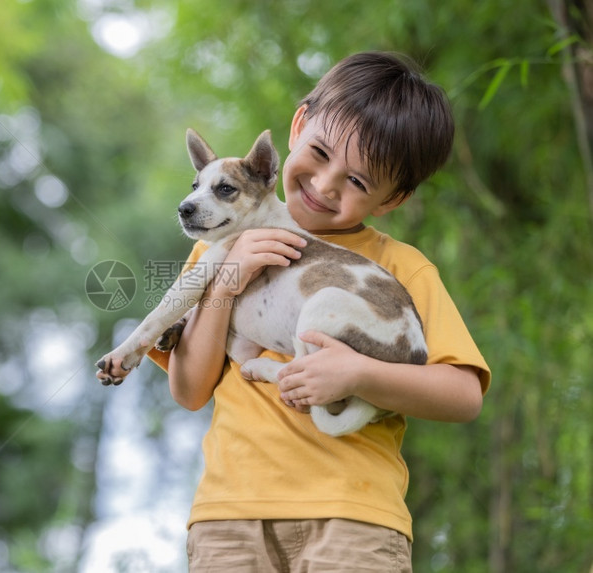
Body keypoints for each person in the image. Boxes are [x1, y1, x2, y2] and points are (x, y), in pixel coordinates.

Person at [147, 51, 491, 571]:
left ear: (392, 198)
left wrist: (360, 373)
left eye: (358, 181)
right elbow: (190, 389)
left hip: (356, 516)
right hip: (230, 516)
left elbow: (463, 395)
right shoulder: (221, 243)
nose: (326, 184)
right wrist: (228, 277)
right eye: (321, 152)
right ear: (299, 125)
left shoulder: (402, 268)